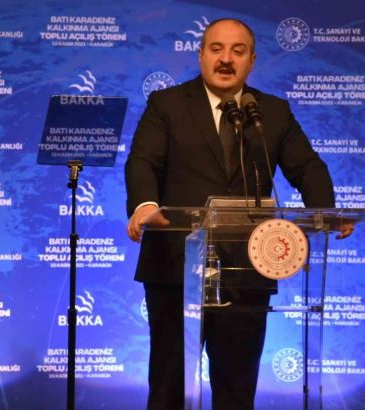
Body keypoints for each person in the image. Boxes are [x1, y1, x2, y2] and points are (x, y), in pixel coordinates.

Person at [125, 18, 352, 410]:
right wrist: (145, 204)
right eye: (216, 49)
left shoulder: (271, 113)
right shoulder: (167, 104)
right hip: (176, 267)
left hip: (247, 268)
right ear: (201, 55)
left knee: (237, 390)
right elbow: (143, 161)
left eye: (237, 50)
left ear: (252, 60)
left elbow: (307, 167)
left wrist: (324, 211)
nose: (226, 59)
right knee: (169, 385)